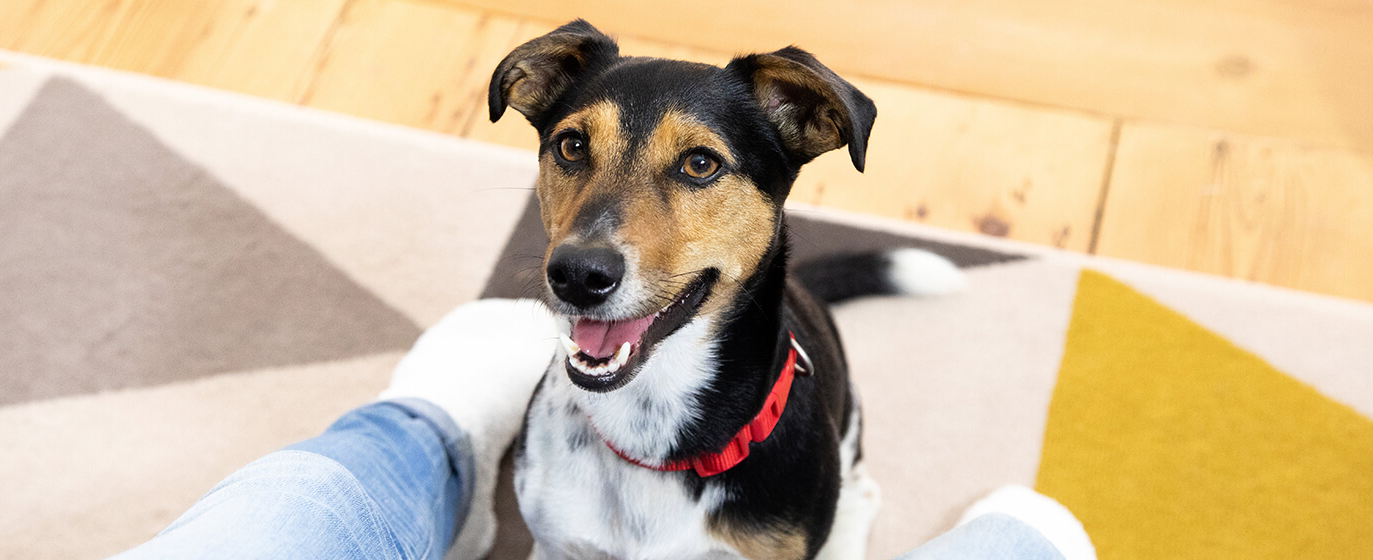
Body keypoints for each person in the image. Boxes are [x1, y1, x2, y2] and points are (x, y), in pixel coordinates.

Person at [111, 299, 1097, 560]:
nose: (594, 239)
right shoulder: (554, 459)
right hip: (575, 460)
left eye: (697, 166)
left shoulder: (787, 477)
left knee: (297, 507)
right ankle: (1028, 541)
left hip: (767, 473)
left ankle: (425, 443)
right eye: (575, 147)